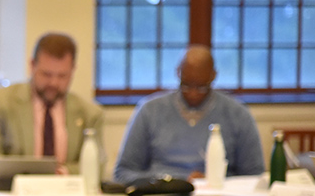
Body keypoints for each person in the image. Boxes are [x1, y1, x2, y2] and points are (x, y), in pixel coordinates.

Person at [113, 45, 264, 184]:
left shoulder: (237, 113)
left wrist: (215, 182)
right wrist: (167, 182)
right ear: (178, 72)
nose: (193, 94)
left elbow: (254, 176)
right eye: (186, 85)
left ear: (213, 76)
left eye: (201, 87)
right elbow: (123, 172)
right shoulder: (150, 110)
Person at [0, 32, 104, 181]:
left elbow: (98, 166)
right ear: (32, 65)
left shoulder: (90, 113)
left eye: (62, 76)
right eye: (46, 74)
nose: (53, 83)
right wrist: (29, 175)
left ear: (73, 70)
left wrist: (62, 173)